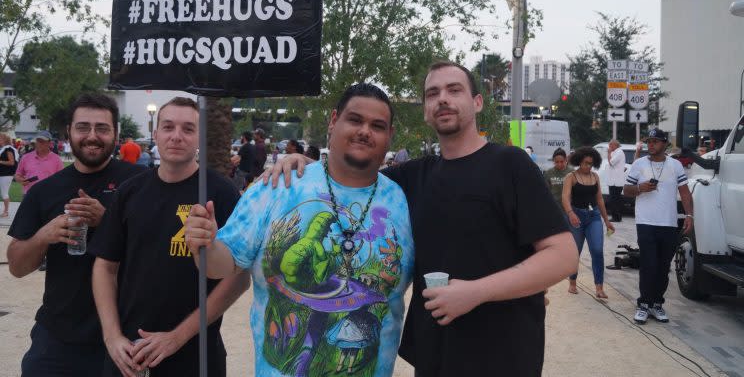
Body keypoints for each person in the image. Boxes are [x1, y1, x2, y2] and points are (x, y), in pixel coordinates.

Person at [266, 61, 578, 376]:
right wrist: (301, 162)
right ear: (426, 110)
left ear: (477, 102)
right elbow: (348, 175)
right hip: (435, 358)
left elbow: (563, 256)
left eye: (454, 90)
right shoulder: (411, 178)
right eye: (433, 93)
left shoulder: (510, 165)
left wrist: (475, 292)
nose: (443, 98)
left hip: (504, 356)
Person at [184, 84, 414, 376]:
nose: (365, 131)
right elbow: (219, 265)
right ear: (333, 121)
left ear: (389, 135)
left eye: (377, 125)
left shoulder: (404, 202)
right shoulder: (277, 186)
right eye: (355, 120)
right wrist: (204, 243)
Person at [90, 97, 249, 377]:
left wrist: (177, 337)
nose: (176, 136)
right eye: (168, 127)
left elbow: (238, 278)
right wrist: (111, 337)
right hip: (130, 351)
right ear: (155, 134)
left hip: (196, 353)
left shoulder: (221, 193)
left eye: (188, 129)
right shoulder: (130, 191)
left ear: (200, 137)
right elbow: (104, 266)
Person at [7, 94, 146, 376]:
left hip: (124, 336)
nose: (92, 136)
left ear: (116, 134)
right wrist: (44, 235)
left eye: (102, 128)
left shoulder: (140, 183)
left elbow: (159, 251)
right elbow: (17, 267)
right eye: (83, 127)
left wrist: (107, 222)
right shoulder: (45, 191)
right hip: (57, 335)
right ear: (68, 131)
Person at [623, 128, 693, 324]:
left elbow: (685, 193)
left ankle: (657, 304)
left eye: (655, 141)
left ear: (664, 144)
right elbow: (626, 190)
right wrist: (640, 188)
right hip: (646, 222)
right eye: (649, 141)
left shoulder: (675, 165)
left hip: (668, 223)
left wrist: (689, 215)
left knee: (663, 266)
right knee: (648, 264)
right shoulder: (638, 164)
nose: (651, 144)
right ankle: (644, 304)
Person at [561, 147, 615, 298]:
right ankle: (572, 282)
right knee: (575, 251)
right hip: (576, 216)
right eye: (585, 163)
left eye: (591, 164)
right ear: (579, 162)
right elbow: (565, 198)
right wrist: (570, 213)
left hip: (593, 217)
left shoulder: (595, 177)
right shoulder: (571, 177)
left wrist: (606, 220)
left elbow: (599, 199)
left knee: (597, 250)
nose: (588, 166)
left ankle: (599, 287)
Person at [14, 130, 64, 195]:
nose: (39, 144)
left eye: (42, 141)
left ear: (49, 143)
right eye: (38, 141)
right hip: (29, 195)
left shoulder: (56, 159)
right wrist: (21, 180)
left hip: (48, 195)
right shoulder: (26, 157)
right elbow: (17, 175)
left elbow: (61, 179)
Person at [606, 139, 627, 222]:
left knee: (614, 200)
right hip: (613, 180)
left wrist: (608, 153)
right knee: (614, 199)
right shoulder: (616, 152)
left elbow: (611, 162)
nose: (609, 147)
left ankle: (616, 217)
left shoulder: (619, 152)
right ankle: (616, 216)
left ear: (615, 145)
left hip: (616, 181)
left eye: (610, 146)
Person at [0, 132, 19, 217]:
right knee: (4, 192)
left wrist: (0, 161)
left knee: (4, 192)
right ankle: (5, 211)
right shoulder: (4, 148)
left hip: (6, 174)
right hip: (3, 173)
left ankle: (6, 211)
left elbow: (11, 162)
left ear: (4, 139)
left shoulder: (8, 149)